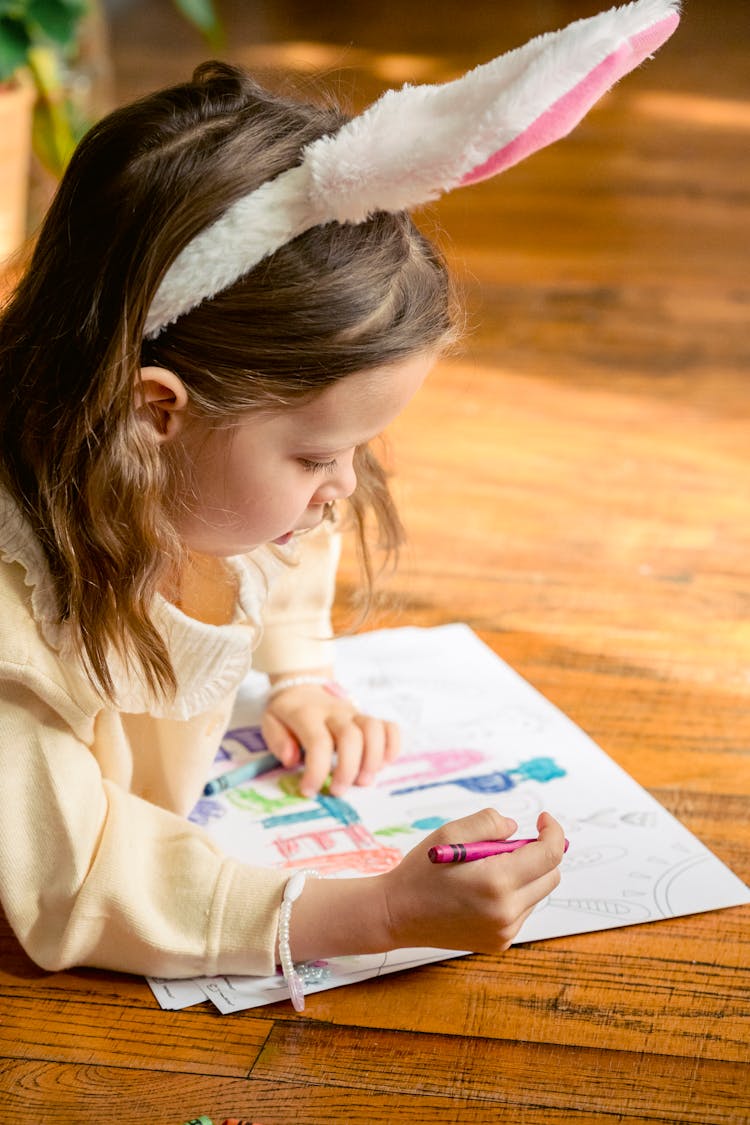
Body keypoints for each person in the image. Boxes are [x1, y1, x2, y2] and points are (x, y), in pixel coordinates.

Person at [1, 0, 679, 996]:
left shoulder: (206, 474)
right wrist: (378, 911)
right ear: (157, 411)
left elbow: (287, 538)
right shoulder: (17, 626)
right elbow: (77, 876)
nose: (342, 490)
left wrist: (303, 674)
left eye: (360, 444)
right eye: (320, 455)